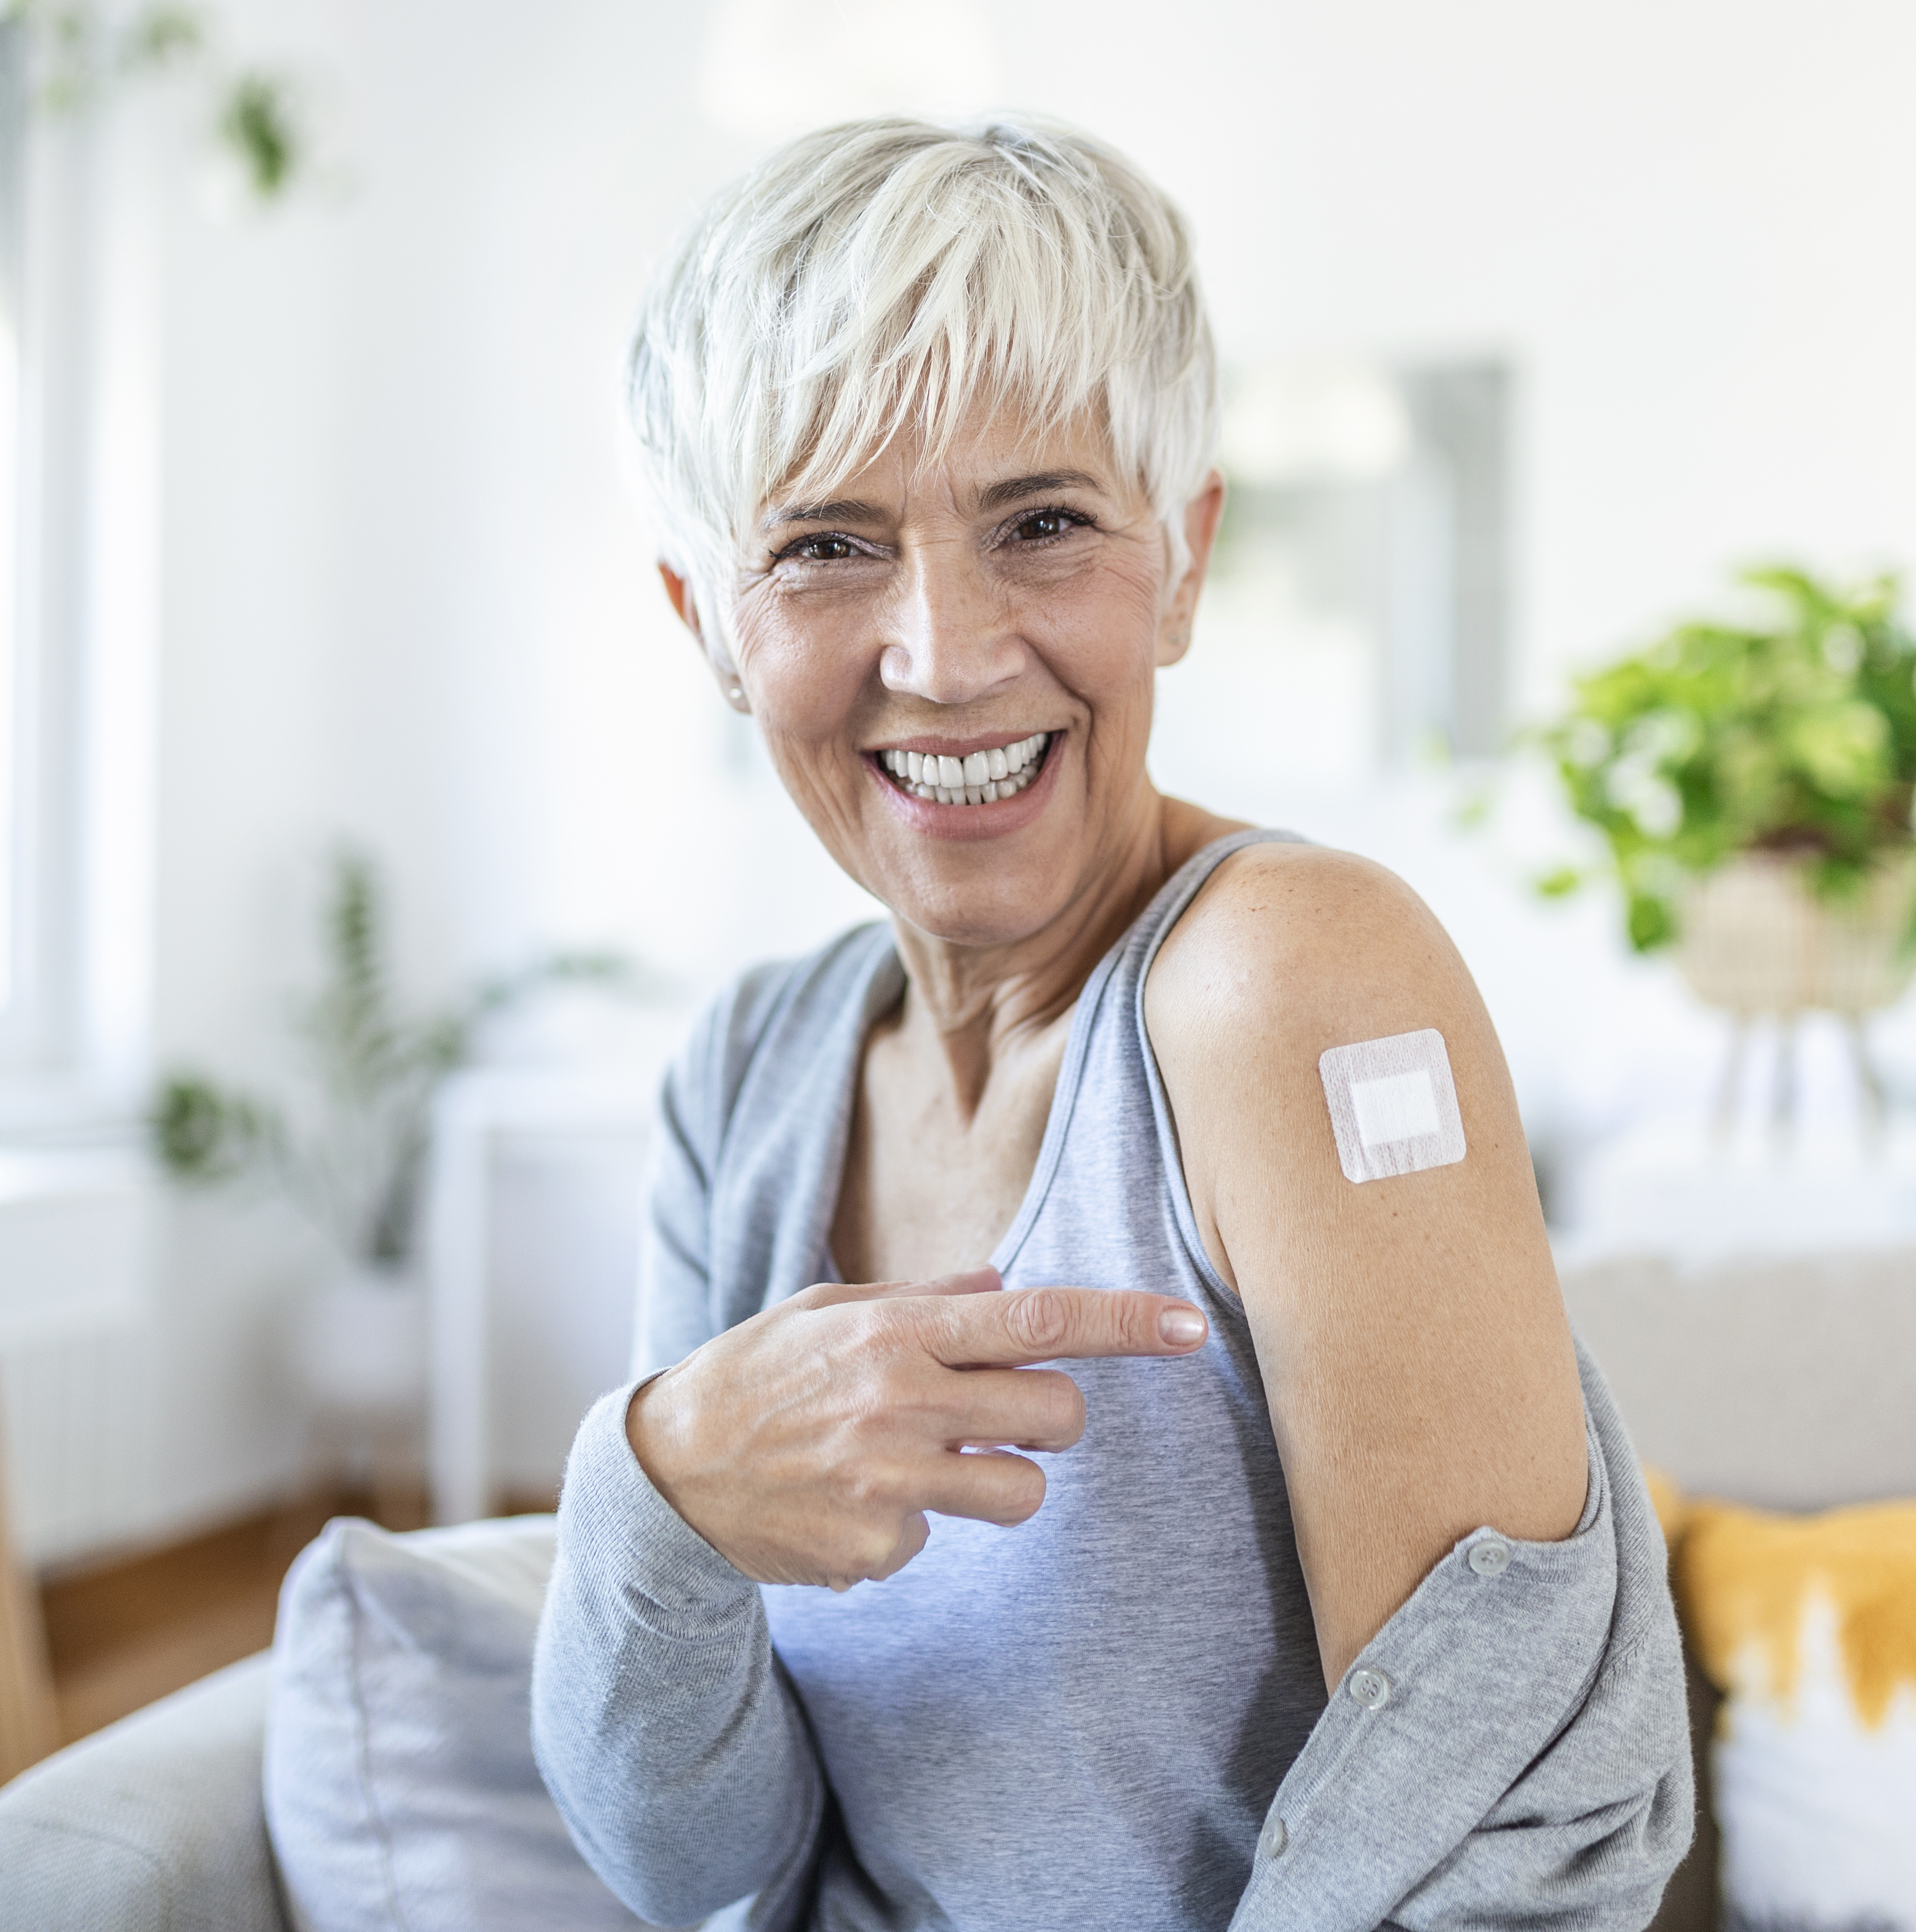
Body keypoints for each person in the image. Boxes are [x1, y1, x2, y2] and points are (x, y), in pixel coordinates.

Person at [532, 117, 1690, 1932]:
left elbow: (1513, 1849)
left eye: (1043, 524)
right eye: (827, 545)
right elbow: (697, 1864)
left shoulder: (1296, 980)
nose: (947, 654)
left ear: (1185, 556)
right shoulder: (745, 1083)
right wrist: (653, 1491)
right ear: (711, 627)